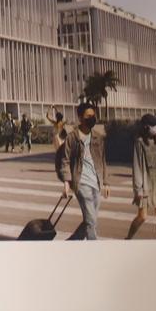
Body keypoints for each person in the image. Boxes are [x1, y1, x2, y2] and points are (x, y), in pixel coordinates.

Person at [63, 102, 107, 239]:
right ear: (80, 118)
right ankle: (93, 252)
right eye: (88, 116)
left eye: (93, 115)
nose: (92, 118)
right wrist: (66, 183)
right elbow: (65, 160)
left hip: (96, 182)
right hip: (81, 182)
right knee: (91, 222)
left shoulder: (98, 137)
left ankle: (72, 242)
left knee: (90, 220)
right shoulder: (72, 138)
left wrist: (105, 182)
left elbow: (102, 161)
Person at [125, 113, 156, 239]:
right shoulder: (140, 143)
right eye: (153, 125)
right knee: (143, 216)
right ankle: (128, 238)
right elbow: (137, 166)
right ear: (146, 127)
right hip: (145, 181)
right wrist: (138, 189)